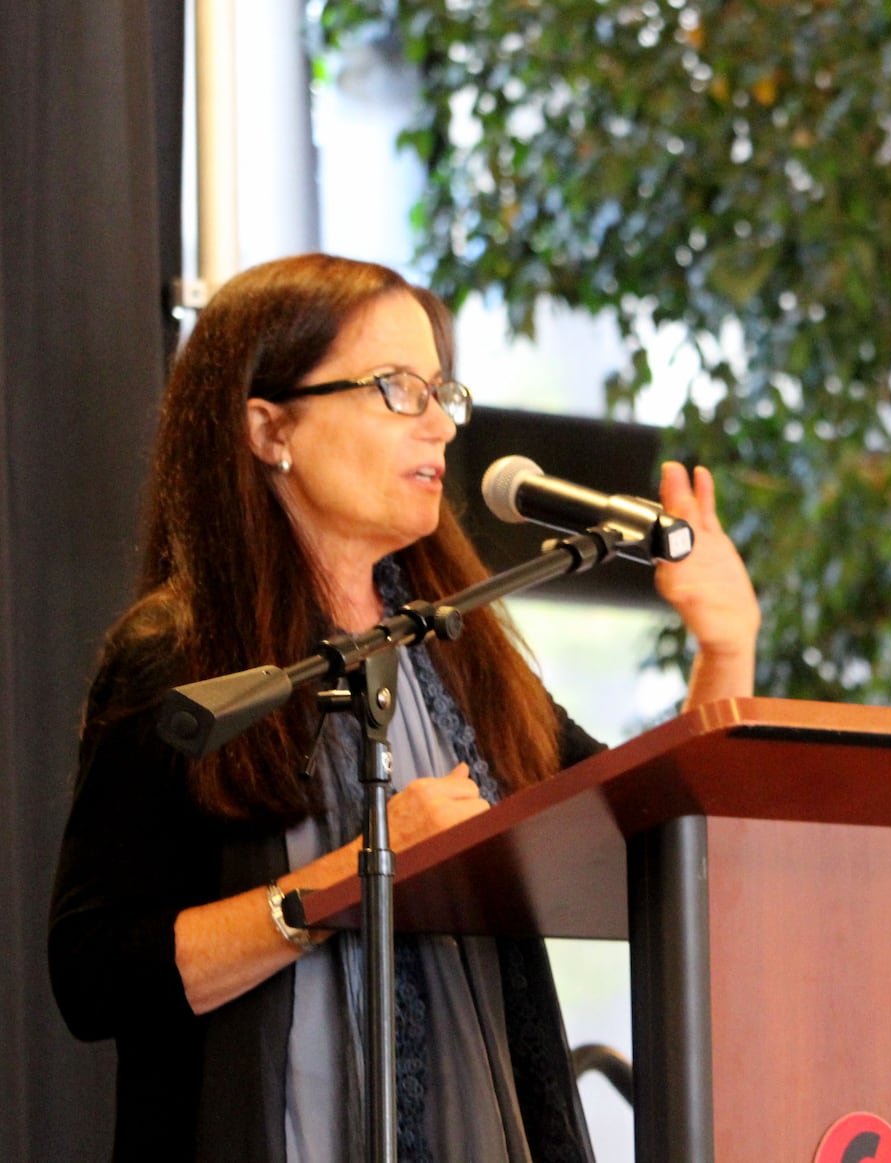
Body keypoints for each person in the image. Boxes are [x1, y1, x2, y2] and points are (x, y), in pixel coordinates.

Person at [47, 253, 760, 1162]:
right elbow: (94, 973)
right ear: (270, 428)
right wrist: (351, 881)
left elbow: (653, 833)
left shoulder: (458, 649)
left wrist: (726, 647)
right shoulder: (178, 659)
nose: (438, 425)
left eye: (441, 391)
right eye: (395, 388)